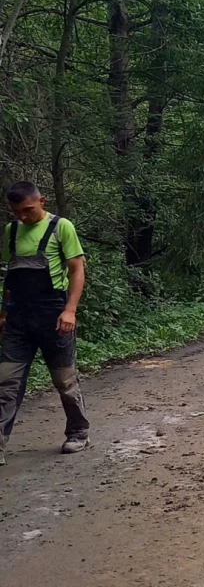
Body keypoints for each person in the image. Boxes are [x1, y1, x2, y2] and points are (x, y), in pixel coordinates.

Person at [0, 181, 89, 465]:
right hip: (18, 319)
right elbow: (10, 276)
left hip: (54, 315)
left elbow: (77, 269)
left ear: (42, 201)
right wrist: (4, 312)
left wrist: (70, 310)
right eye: (17, 212)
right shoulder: (10, 231)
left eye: (28, 210)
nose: (23, 217)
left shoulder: (61, 227)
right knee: (6, 381)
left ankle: (78, 433)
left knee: (64, 380)